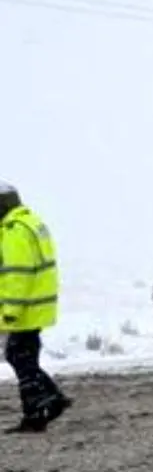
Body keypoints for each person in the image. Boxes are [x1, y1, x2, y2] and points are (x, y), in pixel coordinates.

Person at [0, 181, 72, 433]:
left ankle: (40, 409)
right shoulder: (30, 223)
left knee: (20, 357)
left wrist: (10, 312)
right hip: (37, 306)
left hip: (25, 308)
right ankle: (47, 403)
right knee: (22, 356)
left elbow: (17, 276)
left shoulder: (13, 231)